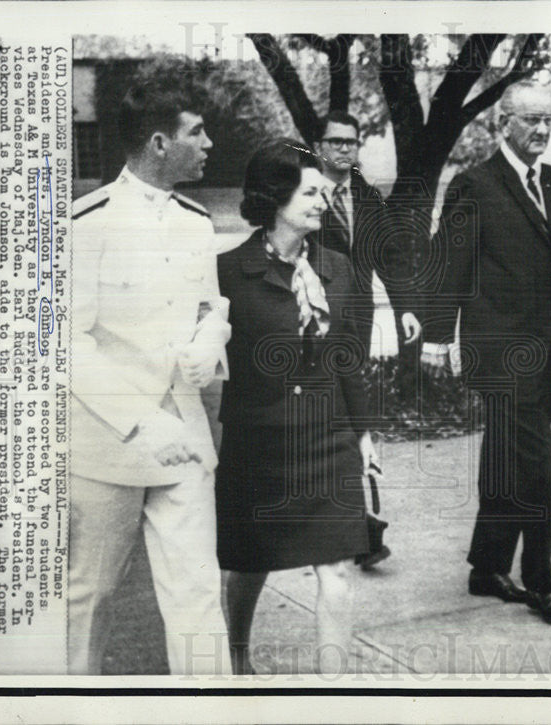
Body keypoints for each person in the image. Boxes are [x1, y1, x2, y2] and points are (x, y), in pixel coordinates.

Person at [420, 83, 551, 625]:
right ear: (502, 124)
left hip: (546, 349)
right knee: (535, 459)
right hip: (498, 352)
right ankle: (541, 577)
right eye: (531, 120)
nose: (543, 131)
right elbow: (449, 264)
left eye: (549, 121)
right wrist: (437, 338)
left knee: (506, 455)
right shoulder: (474, 186)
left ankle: (486, 566)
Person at [68, 77, 231, 674]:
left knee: (196, 594)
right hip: (107, 442)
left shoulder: (195, 220)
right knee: (89, 599)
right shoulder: (88, 222)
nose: (209, 143)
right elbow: (67, 342)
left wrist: (212, 335)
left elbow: (210, 307)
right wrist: (140, 423)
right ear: (160, 143)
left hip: (184, 434)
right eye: (197, 132)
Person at [216, 138, 378, 674]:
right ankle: (235, 661)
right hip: (258, 444)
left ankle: (334, 692)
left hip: (328, 440)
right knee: (247, 567)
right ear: (276, 198)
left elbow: (349, 358)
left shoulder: (339, 268)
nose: (322, 200)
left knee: (337, 569)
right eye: (309, 191)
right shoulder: (226, 274)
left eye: (324, 192)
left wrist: (364, 434)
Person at [312, 111, 423, 570]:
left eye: (351, 142)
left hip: (354, 322)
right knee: (327, 419)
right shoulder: (303, 192)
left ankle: (361, 526)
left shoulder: (367, 197)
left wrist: (407, 308)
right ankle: (345, 524)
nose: (344, 149)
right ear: (318, 146)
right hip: (312, 322)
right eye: (335, 142)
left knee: (353, 418)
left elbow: (391, 256)